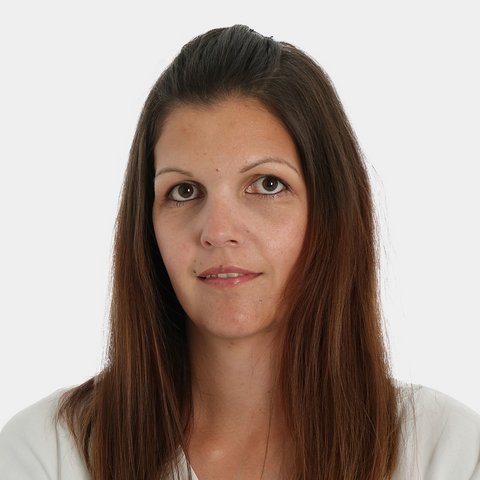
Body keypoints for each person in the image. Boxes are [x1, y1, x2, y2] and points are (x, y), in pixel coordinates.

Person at [1, 24, 479, 480]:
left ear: (332, 212)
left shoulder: (450, 455)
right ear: (146, 227)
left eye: (267, 184)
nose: (218, 231)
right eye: (184, 191)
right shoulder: (46, 454)